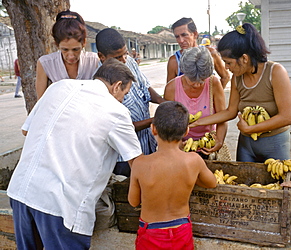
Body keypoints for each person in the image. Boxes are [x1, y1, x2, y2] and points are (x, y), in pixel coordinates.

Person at [7, 58, 142, 249]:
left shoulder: (58, 87)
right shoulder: (117, 111)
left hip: (21, 191)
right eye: (124, 94)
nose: (122, 99)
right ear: (117, 86)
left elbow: (27, 130)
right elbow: (137, 163)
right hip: (61, 205)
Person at [190, 23, 291, 163]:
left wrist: (251, 129)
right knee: (242, 183)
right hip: (247, 145)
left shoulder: (275, 72)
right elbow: (230, 111)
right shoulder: (237, 78)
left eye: (229, 63)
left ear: (244, 58)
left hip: (275, 144)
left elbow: (286, 117)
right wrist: (197, 123)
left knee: (277, 184)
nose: (226, 68)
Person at [128, 101, 217, 249]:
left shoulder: (140, 164)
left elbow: (133, 201)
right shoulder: (194, 160)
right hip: (181, 230)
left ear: (153, 129)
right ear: (186, 131)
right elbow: (212, 183)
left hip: (151, 233)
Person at [95, 28, 166, 176]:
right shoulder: (101, 83)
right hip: (124, 158)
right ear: (101, 56)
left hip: (147, 143)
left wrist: (162, 102)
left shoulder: (130, 63)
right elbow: (122, 128)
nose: (123, 60)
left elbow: (145, 87)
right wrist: (154, 120)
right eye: (117, 57)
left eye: (124, 54)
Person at [164, 46, 227, 158]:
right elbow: (168, 124)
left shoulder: (214, 83)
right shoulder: (171, 88)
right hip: (180, 148)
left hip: (207, 145)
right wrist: (176, 144)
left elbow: (223, 118)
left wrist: (219, 141)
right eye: (192, 81)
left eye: (202, 80)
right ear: (183, 71)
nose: (197, 85)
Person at [35, 10, 99, 99]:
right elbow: (41, 101)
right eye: (65, 50)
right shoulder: (45, 63)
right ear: (57, 44)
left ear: (84, 42)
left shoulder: (94, 61)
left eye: (76, 49)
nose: (71, 56)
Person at [167, 17, 230, 88]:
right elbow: (170, 88)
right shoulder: (174, 61)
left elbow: (225, 77)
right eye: (177, 37)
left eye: (184, 35)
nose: (181, 40)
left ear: (195, 34)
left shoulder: (210, 53)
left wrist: (214, 95)